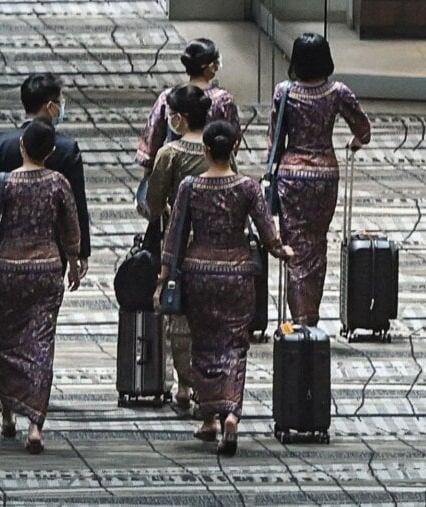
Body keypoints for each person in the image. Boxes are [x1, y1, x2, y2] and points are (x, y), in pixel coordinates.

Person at [0, 120, 85, 454]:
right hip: (46, 271)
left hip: (8, 271)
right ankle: (35, 425)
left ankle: (8, 414)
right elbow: (71, 229)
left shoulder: (3, 183)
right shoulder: (58, 184)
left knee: (7, 342)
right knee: (40, 345)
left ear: (22, 146)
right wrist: (75, 261)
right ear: (50, 152)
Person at [157, 120, 292, 457]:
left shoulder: (190, 187)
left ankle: (209, 418)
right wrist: (280, 249)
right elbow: (266, 228)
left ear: (205, 150)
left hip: (199, 272)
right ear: (234, 149)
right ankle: (232, 413)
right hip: (237, 275)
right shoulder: (247, 187)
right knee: (234, 345)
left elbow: (175, 234)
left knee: (204, 344)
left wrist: (163, 274)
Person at [269, 32, 371, 326]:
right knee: (316, 244)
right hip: (325, 175)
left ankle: (299, 315)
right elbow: (363, 130)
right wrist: (354, 143)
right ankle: (310, 313)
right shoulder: (337, 92)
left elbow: (274, 140)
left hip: (292, 176)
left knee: (294, 245)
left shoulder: (284, 92)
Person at [146, 84, 215, 415]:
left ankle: (186, 384)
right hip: (220, 243)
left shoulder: (170, 154)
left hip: (182, 244)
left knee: (181, 318)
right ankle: (213, 386)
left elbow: (154, 202)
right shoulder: (220, 148)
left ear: (182, 118)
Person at [0, 72, 91, 264]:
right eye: (60, 102)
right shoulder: (67, 149)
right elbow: (77, 205)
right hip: (52, 255)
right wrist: (80, 253)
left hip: (7, 254)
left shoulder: (0, 147)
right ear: (50, 107)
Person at [137, 38, 240, 170]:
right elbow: (234, 139)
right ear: (209, 67)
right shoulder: (223, 101)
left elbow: (153, 135)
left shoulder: (168, 96)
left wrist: (150, 166)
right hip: (211, 168)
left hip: (175, 166)